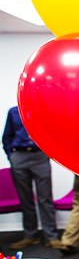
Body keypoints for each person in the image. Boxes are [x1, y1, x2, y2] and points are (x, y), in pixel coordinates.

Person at [2, 106, 60, 249]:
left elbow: (52, 133)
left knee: (45, 198)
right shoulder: (13, 112)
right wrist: (12, 157)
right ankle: (30, 235)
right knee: (25, 199)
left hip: (40, 156)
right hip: (19, 157)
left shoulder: (43, 111)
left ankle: (51, 237)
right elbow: (7, 136)